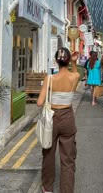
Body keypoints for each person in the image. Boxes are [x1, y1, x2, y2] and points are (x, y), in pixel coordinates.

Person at [37, 48, 80, 193]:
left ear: (56, 61)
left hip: (52, 118)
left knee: (48, 154)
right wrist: (74, 63)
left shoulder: (49, 79)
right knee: (68, 159)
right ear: (68, 61)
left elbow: (39, 102)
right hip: (68, 117)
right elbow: (75, 73)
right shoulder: (74, 77)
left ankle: (47, 188)